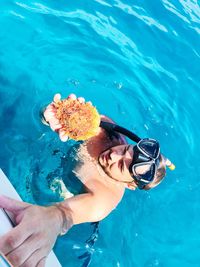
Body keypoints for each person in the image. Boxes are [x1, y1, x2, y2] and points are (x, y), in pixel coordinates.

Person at [0, 93, 173, 267]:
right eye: (125, 149)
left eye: (120, 166)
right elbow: (48, 111)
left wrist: (51, 219)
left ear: (129, 185)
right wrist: (49, 114)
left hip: (67, 198)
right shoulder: (107, 132)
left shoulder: (104, 197)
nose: (113, 155)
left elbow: (65, 214)